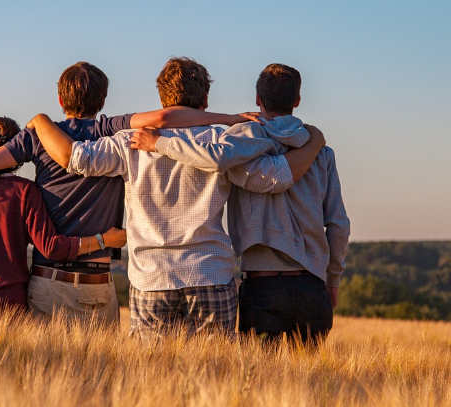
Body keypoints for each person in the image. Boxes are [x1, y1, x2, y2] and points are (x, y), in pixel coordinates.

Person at [27, 57, 326, 338]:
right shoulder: (222, 143)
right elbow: (273, 178)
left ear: (161, 99)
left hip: (151, 278)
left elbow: (76, 159)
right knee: (215, 376)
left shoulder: (128, 142)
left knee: (152, 378)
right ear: (205, 100)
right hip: (210, 273)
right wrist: (314, 142)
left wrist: (41, 121)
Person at [0, 61, 258, 324]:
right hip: (99, 282)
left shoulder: (38, 136)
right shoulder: (110, 129)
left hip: (49, 279)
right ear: (103, 100)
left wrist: (37, 125)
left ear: (61, 99)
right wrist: (229, 119)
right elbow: (166, 119)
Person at [132, 63, 349, 345]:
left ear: (258, 99)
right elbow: (338, 224)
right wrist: (333, 279)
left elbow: (215, 158)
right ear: (297, 100)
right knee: (310, 384)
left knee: (259, 382)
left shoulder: (238, 143)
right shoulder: (321, 152)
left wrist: (160, 143)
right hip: (312, 284)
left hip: (261, 286)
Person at [0, 116, 126, 318]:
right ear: (17, 150)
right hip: (6, 309)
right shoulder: (24, 191)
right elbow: (51, 247)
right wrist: (104, 240)